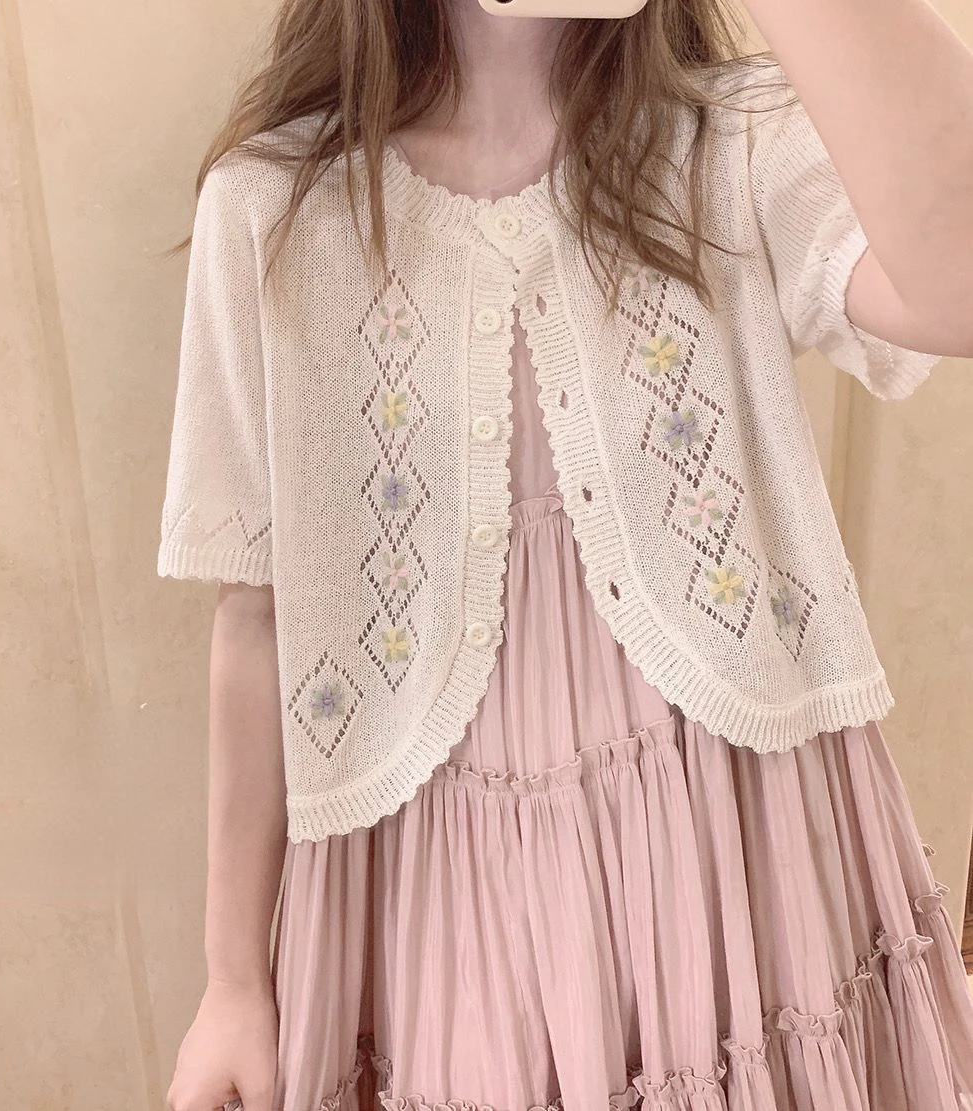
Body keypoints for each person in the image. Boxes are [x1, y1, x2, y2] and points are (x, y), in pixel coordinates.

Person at [159, 1, 973, 1109]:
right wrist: (232, 981)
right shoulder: (274, 209)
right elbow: (255, 613)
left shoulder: (731, 144)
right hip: (438, 880)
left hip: (740, 845)